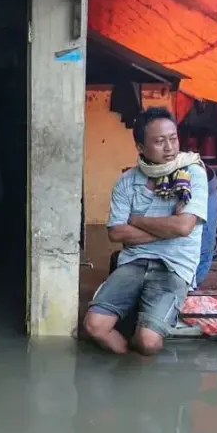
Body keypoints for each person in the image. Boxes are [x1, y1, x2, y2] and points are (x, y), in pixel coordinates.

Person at [83, 106, 208, 356]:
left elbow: (183, 227)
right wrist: (169, 227)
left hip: (175, 265)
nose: (170, 148)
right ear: (141, 147)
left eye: (173, 139)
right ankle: (125, 367)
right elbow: (116, 234)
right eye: (159, 141)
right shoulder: (126, 182)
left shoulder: (192, 172)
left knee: (149, 342)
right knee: (95, 326)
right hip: (134, 261)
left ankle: (139, 361)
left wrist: (136, 220)